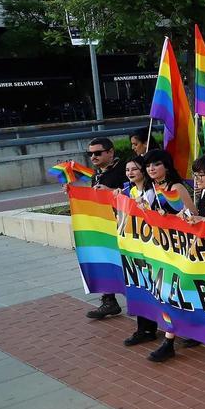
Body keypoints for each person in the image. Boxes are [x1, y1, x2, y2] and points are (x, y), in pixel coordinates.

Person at [148, 155, 205, 362]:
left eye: (200, 175)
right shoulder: (203, 194)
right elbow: (198, 218)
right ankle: (170, 339)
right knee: (179, 291)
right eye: (195, 175)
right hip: (200, 255)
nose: (196, 179)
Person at [125, 150, 195, 347]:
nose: (151, 169)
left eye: (156, 164)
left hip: (179, 246)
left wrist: (172, 217)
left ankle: (188, 331)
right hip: (161, 247)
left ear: (166, 166)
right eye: (148, 166)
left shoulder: (176, 187)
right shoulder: (153, 188)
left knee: (180, 289)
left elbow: (192, 214)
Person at [85, 136, 128, 320]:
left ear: (110, 152)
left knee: (127, 263)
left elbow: (132, 192)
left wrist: (110, 192)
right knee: (105, 260)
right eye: (90, 154)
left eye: (97, 153)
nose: (93, 157)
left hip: (125, 224)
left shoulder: (124, 169)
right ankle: (108, 300)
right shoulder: (96, 174)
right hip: (104, 225)